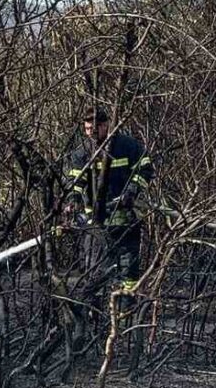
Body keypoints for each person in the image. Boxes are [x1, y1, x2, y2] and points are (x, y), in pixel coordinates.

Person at [63, 107, 154, 324]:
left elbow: (146, 168)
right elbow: (74, 182)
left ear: (105, 125)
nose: (90, 134)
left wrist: (132, 190)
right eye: (86, 129)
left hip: (126, 220)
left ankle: (125, 314)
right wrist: (73, 200)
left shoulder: (127, 146)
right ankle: (91, 314)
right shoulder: (82, 152)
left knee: (128, 269)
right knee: (94, 269)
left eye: (94, 129)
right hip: (95, 225)